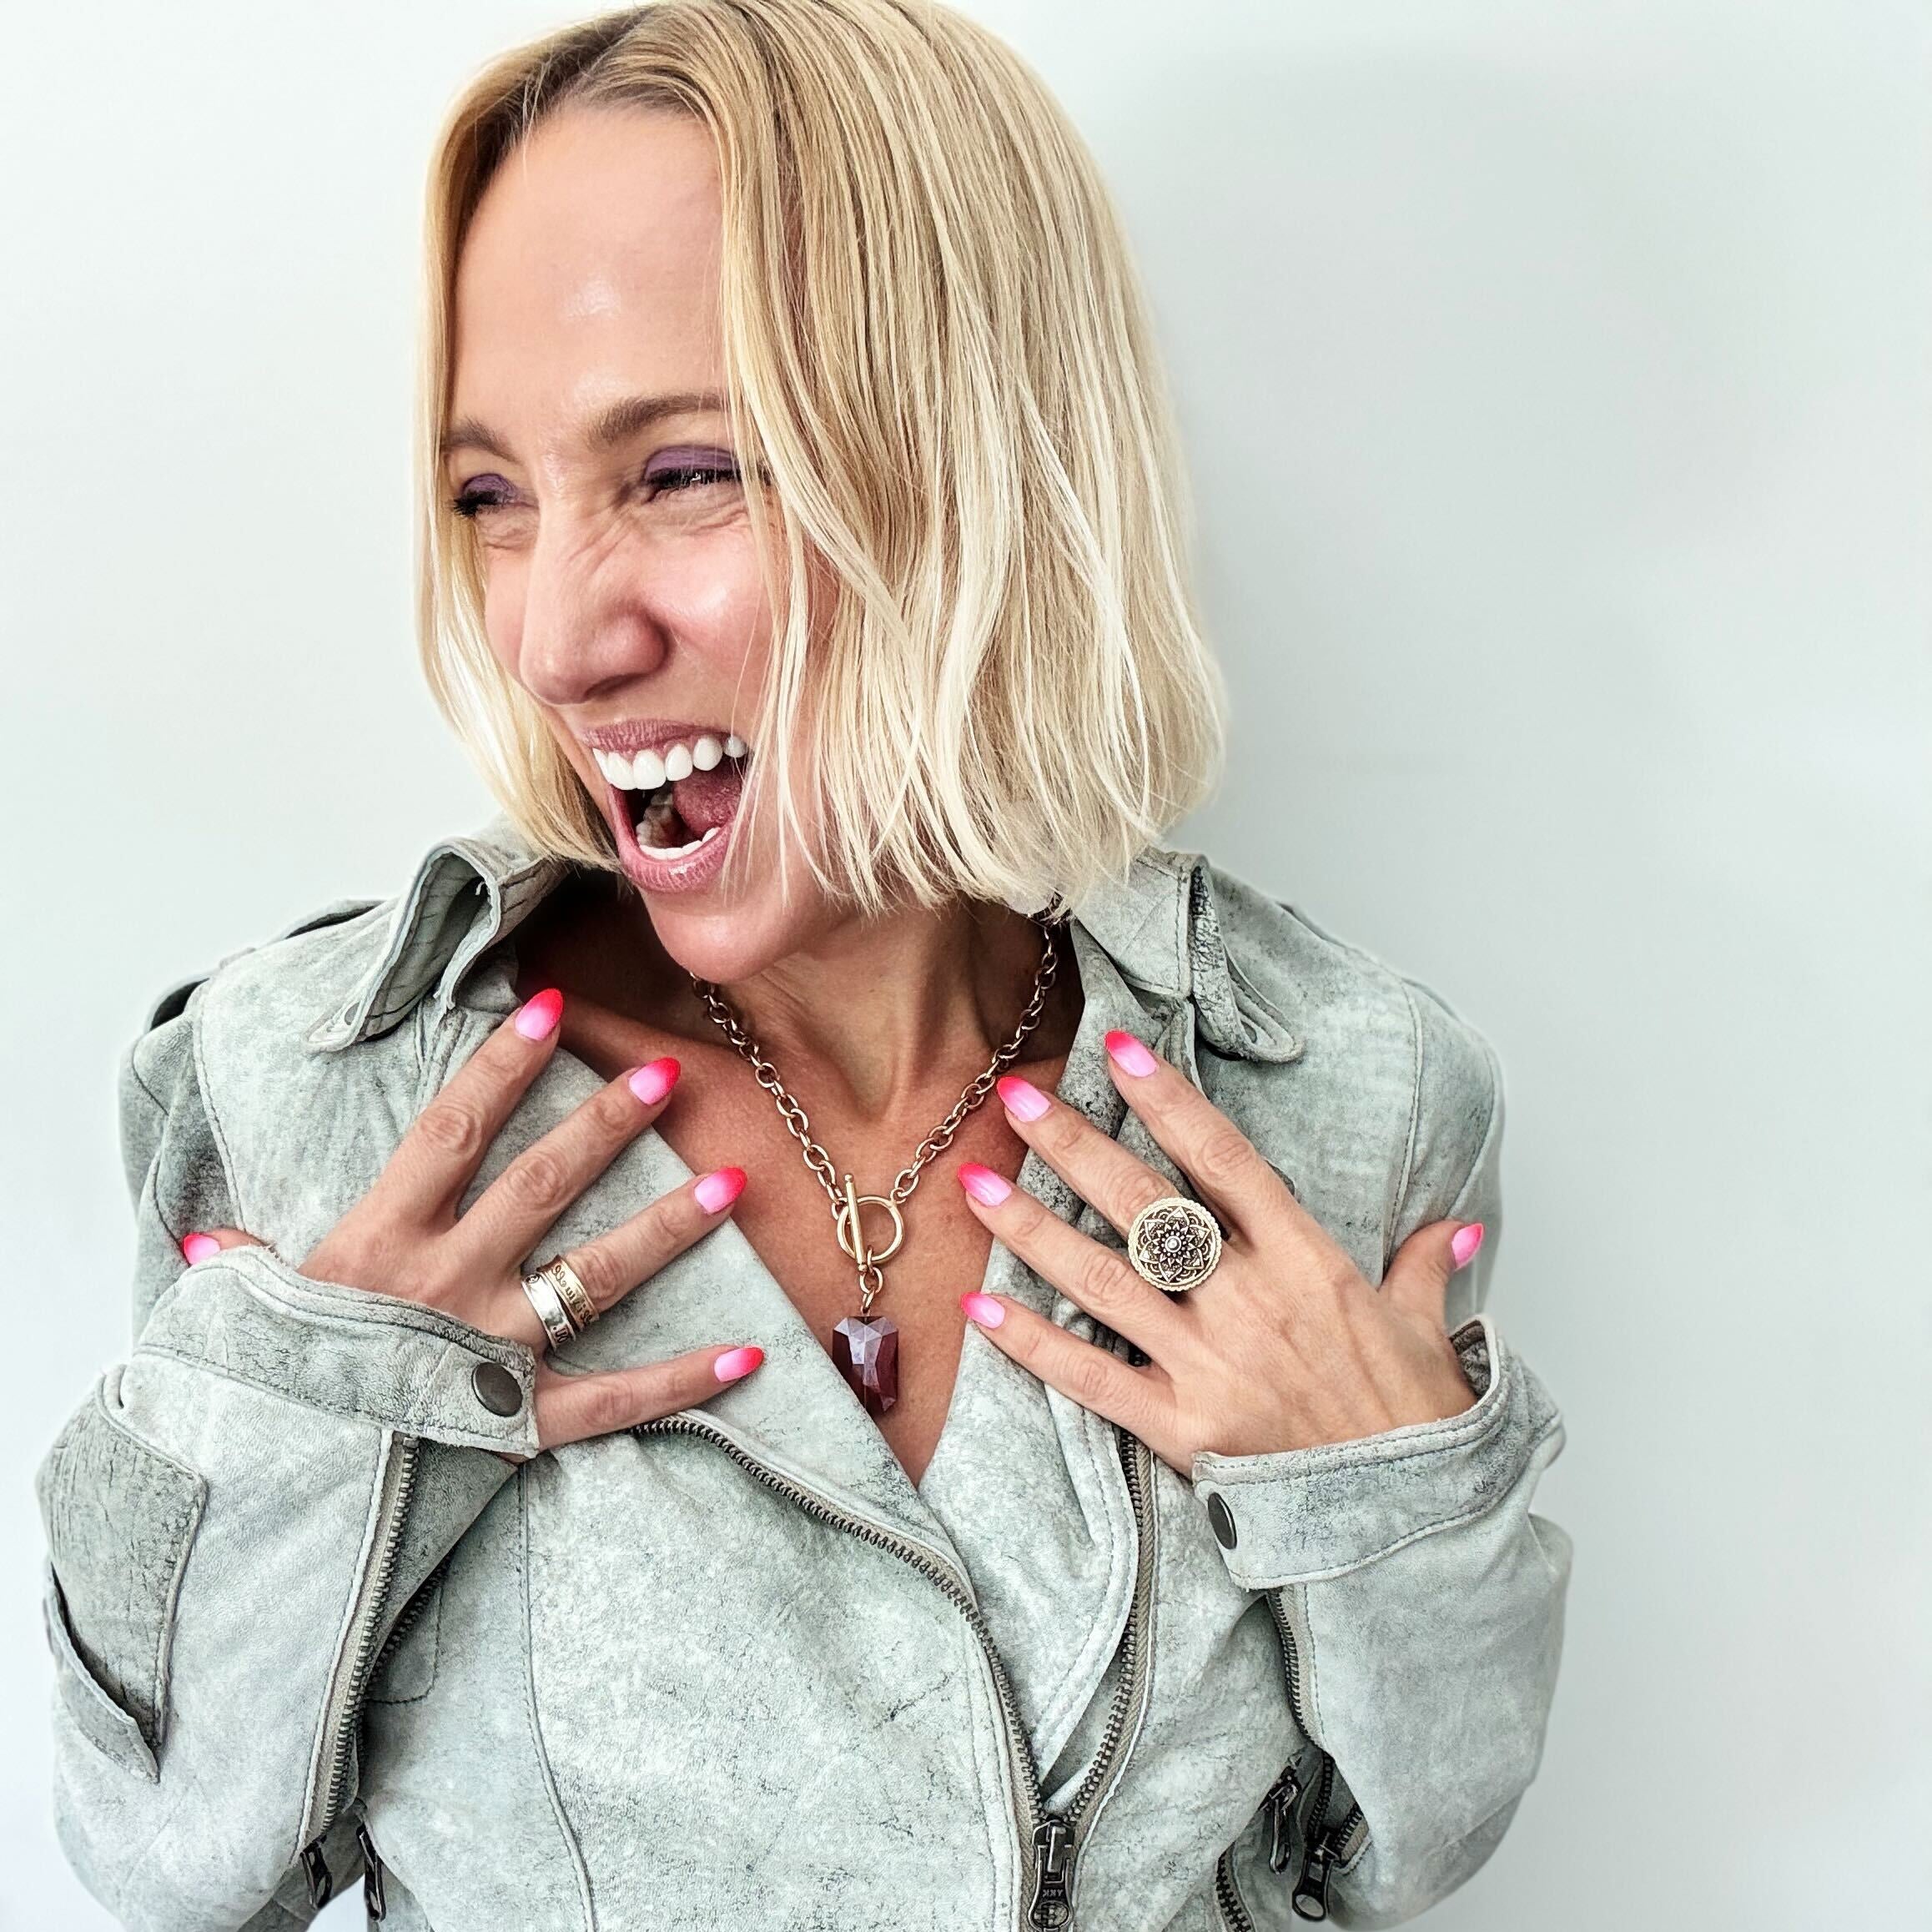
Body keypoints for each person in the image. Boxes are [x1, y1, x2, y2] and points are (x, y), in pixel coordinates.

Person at [33, 3, 1571, 1926]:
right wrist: (320, 1419)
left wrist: (1390, 1523)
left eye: (683, 473)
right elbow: (173, 1871)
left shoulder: (1329, 1088)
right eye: (491, 500)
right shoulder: (319, 1093)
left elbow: (1374, 1861)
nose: (557, 639)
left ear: (969, 462)